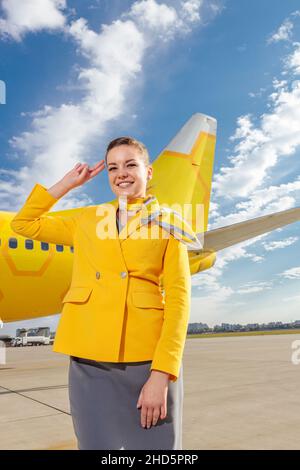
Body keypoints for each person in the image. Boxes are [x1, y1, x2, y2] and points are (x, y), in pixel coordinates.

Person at [10, 136, 194, 450]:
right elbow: (24, 224)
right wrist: (66, 184)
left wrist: (163, 373)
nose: (121, 173)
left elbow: (179, 299)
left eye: (130, 164)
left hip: (145, 362)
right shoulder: (87, 218)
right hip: (88, 362)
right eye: (113, 167)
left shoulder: (169, 224)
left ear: (148, 172)